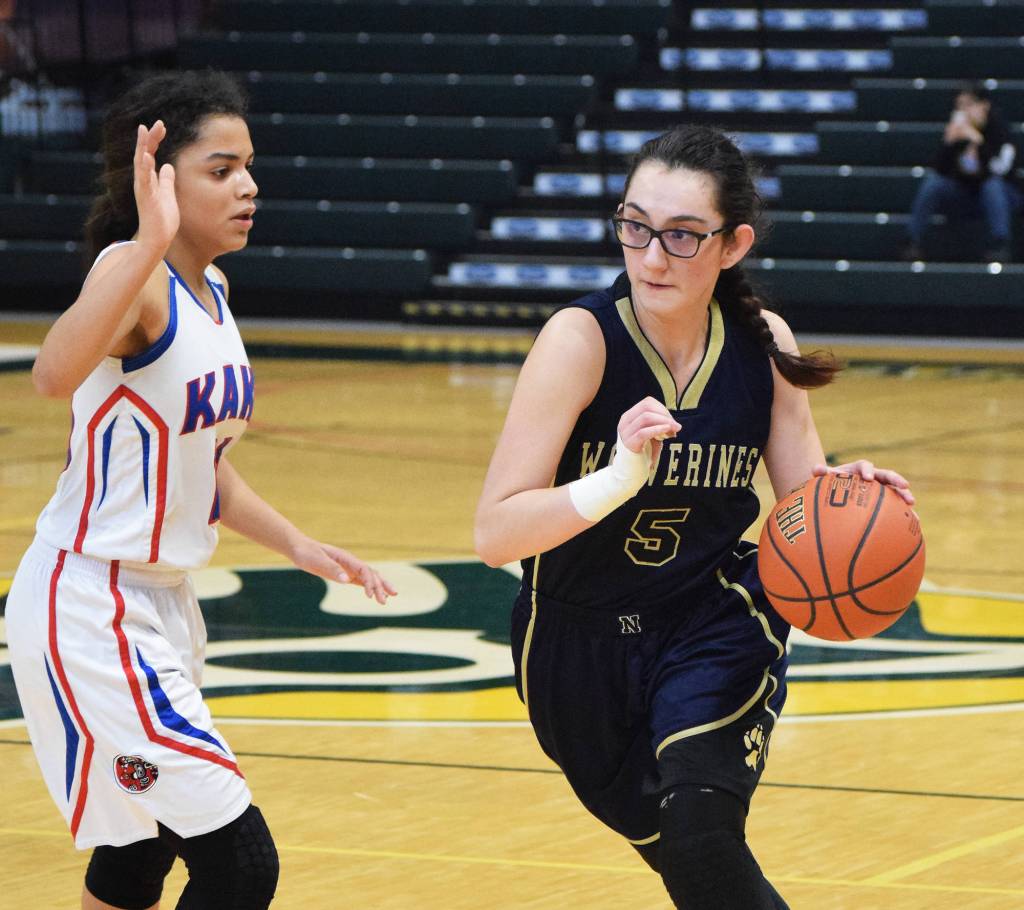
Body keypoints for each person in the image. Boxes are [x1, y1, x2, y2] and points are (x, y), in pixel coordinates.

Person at [474, 124, 914, 909]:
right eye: (635, 227)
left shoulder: (761, 342)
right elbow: (495, 532)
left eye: (681, 236)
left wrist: (845, 498)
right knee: (693, 867)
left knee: (704, 835)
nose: (649, 257)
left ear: (732, 244)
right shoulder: (580, 341)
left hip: (713, 619)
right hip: (576, 648)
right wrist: (616, 478)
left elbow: (801, 503)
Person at [5, 70, 396, 910]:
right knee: (239, 864)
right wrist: (148, 237)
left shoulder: (212, 289)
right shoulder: (134, 272)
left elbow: (201, 463)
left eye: (248, 166)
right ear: (160, 178)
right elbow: (50, 373)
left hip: (161, 606)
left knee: (137, 856)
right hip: (90, 607)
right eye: (221, 169)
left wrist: (298, 544)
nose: (249, 185)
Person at [905, 82, 1022, 262]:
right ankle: (912, 241)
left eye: (969, 105)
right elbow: (940, 170)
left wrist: (979, 143)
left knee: (992, 186)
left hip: (1002, 196)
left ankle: (1000, 244)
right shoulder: (958, 132)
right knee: (934, 183)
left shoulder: (1000, 131)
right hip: (966, 195)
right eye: (960, 106)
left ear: (984, 105)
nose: (964, 111)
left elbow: (1001, 171)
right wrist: (948, 144)